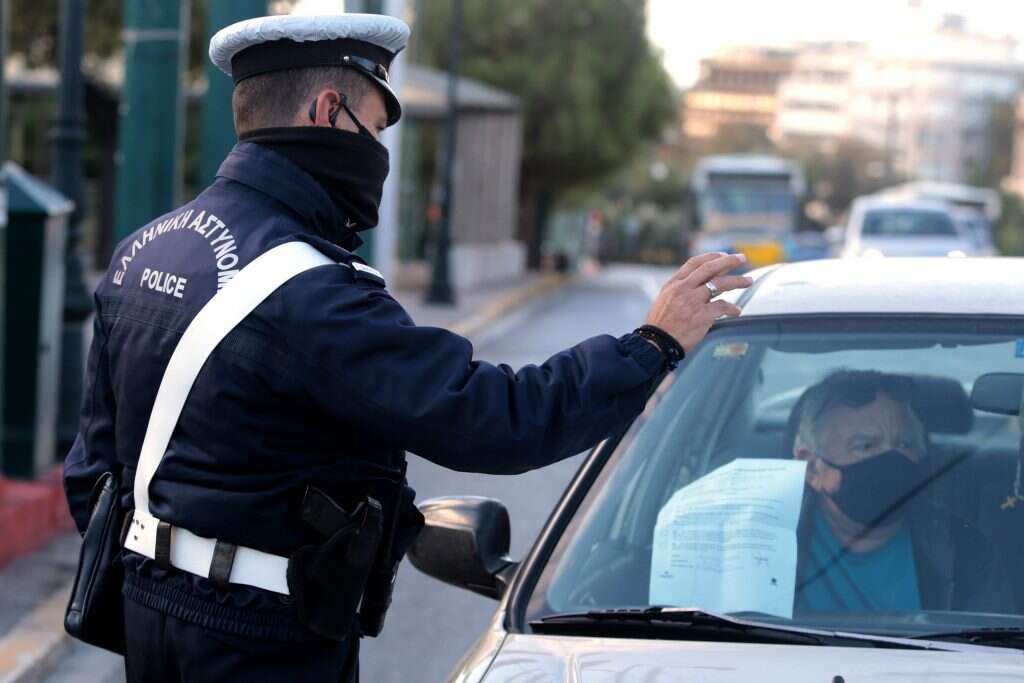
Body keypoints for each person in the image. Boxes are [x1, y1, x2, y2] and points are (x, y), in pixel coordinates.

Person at [62, 12, 752, 683]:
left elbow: (90, 471)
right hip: (259, 637)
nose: (378, 153)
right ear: (328, 112)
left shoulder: (145, 250)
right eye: (374, 126)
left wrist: (172, 568)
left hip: (149, 615)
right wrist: (651, 345)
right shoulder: (312, 293)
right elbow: (495, 417)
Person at [790, 370, 1006, 613]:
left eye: (905, 444)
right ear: (811, 468)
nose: (892, 458)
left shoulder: (965, 552)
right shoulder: (764, 540)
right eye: (865, 446)